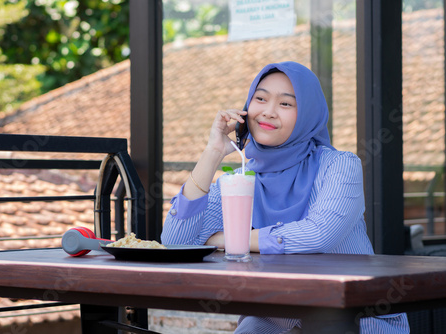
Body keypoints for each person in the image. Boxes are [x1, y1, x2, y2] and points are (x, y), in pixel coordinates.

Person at [161, 61, 410, 333]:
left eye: (286, 104)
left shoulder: (339, 165)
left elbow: (318, 234)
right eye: (261, 99)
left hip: (354, 315)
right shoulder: (239, 181)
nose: (268, 112)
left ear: (307, 115)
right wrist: (213, 151)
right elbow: (176, 242)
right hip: (275, 314)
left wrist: (230, 240)